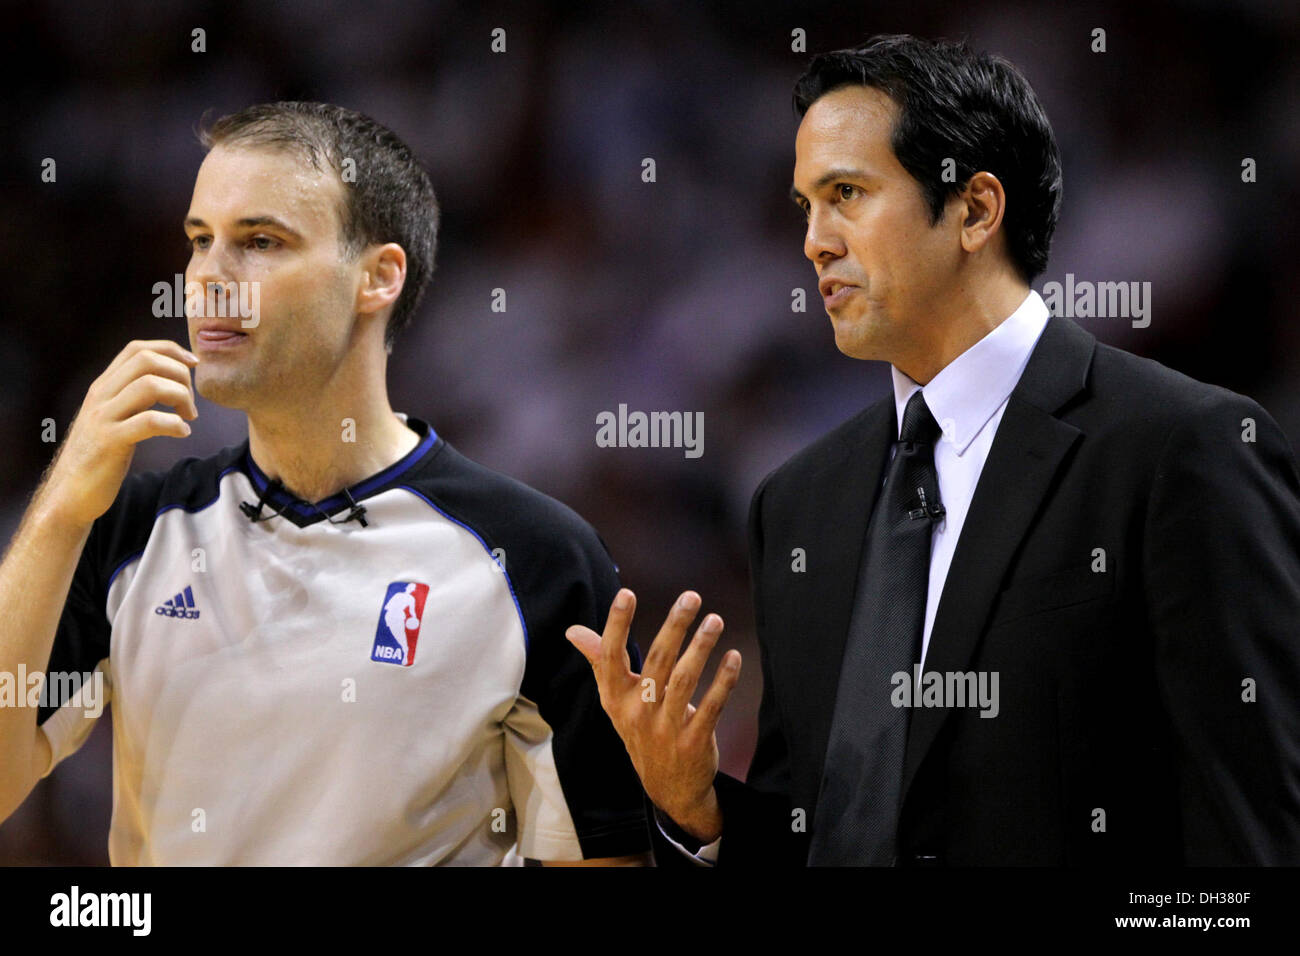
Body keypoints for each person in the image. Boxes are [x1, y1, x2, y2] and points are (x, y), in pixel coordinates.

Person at [566, 34, 1300, 866]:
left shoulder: (1181, 448)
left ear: (976, 210)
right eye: (805, 204)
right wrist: (697, 813)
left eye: (846, 193)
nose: (814, 240)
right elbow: (819, 831)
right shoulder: (797, 503)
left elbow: (1254, 846)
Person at [0, 102, 650, 866]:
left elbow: (601, 858)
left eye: (260, 242)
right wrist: (59, 509)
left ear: (377, 277)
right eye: (199, 241)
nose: (209, 278)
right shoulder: (126, 529)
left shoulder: (536, 555)